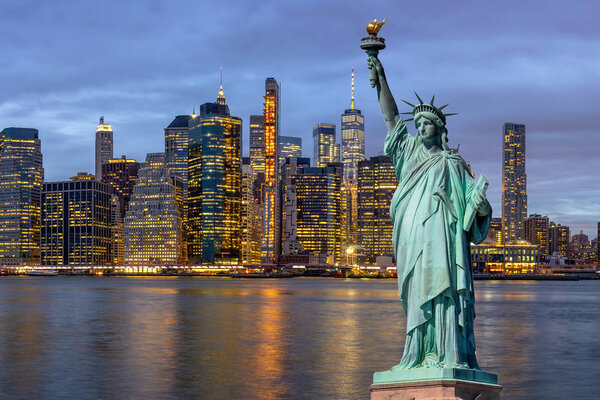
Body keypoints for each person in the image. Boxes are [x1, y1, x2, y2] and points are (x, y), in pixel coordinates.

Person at [367, 55, 492, 369]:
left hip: (445, 238)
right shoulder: (408, 152)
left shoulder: (454, 164)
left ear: (439, 129)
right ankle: (418, 354)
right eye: (418, 123)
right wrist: (380, 77)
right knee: (418, 291)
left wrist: (482, 206)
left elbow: (472, 214)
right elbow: (391, 118)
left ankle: (447, 353)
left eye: (426, 124)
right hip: (413, 236)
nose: (420, 128)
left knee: (445, 290)